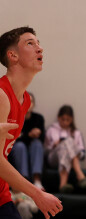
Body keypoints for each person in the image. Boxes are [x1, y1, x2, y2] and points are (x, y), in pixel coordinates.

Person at [0, 27, 62, 219]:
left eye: (38, 43)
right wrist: (37, 194)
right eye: (30, 43)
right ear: (13, 56)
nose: (39, 48)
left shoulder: (25, 100)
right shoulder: (1, 95)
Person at [44, 105, 86, 193]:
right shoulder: (51, 130)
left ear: (72, 119)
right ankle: (80, 176)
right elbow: (45, 150)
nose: (65, 122)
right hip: (54, 159)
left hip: (72, 160)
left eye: (68, 120)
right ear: (58, 118)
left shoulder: (76, 133)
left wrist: (73, 150)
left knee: (68, 142)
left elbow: (82, 154)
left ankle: (63, 184)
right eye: (63, 119)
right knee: (66, 142)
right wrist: (54, 145)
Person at [8, 92, 45, 190]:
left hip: (33, 148)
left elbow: (43, 139)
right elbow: (13, 139)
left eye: (31, 101)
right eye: (25, 100)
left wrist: (38, 134)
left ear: (34, 104)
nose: (28, 103)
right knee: (20, 146)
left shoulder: (38, 118)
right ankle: (24, 181)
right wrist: (29, 135)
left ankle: (37, 180)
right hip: (18, 149)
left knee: (37, 144)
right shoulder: (15, 118)